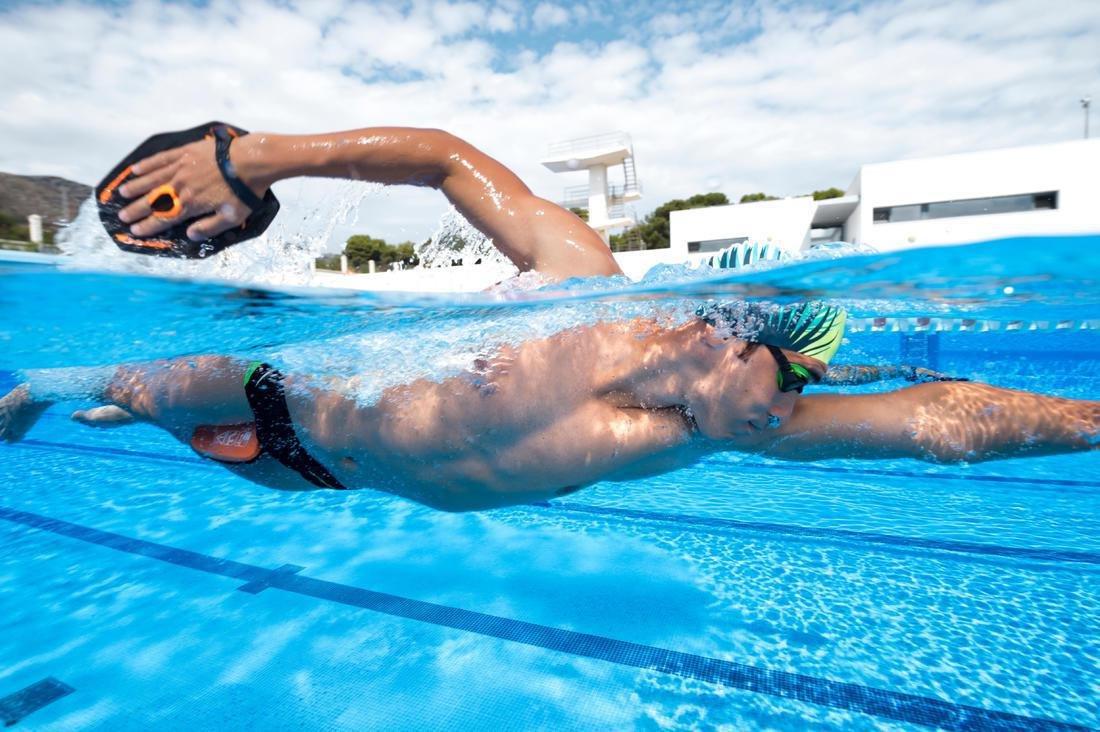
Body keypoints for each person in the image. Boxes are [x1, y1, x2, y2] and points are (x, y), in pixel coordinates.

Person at [1, 126, 1096, 511]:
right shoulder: (582, 273)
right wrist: (251, 157)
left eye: (801, 386)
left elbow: (938, 418)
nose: (778, 407)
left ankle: (120, 410)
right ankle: (53, 395)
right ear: (724, 325)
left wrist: (1087, 422)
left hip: (313, 475)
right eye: (784, 372)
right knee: (137, 390)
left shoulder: (745, 419)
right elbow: (443, 162)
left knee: (183, 432)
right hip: (272, 396)